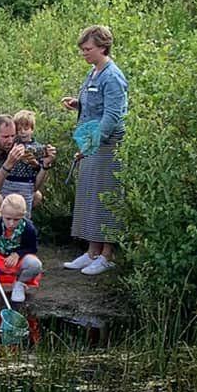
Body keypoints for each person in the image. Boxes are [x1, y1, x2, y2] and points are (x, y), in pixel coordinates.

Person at [61, 24, 128, 276]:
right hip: (91, 142)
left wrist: (90, 144)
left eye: (87, 49)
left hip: (107, 146)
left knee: (106, 198)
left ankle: (107, 255)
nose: (84, 53)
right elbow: (96, 105)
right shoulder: (93, 72)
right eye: (82, 49)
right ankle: (91, 252)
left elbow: (112, 116)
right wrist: (78, 103)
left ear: (102, 47)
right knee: (89, 196)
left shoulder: (113, 76)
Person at [2, 109, 57, 211]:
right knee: (5, 211)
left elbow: (42, 168)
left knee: (24, 212)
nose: (22, 132)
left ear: (32, 129)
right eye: (18, 129)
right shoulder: (11, 144)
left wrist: (45, 158)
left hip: (27, 185)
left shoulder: (39, 148)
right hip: (7, 183)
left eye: (26, 128)